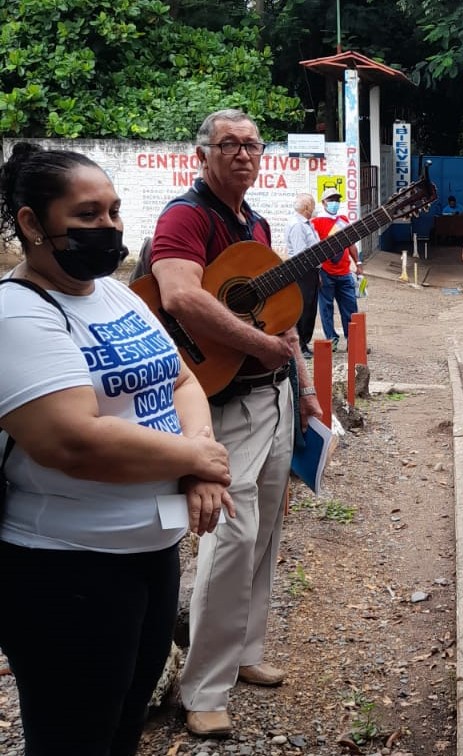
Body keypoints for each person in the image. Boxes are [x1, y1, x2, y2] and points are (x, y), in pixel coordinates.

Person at [0, 142, 234, 755]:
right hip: (66, 566)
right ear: (31, 223)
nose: (108, 227)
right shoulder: (17, 313)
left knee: (124, 724)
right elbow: (70, 439)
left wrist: (200, 462)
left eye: (113, 212)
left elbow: (183, 379)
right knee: (75, 737)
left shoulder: (116, 293)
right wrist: (196, 459)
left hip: (148, 555)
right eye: (86, 216)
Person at [149, 108, 323, 739]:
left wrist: (301, 386)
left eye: (253, 144)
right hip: (221, 401)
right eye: (230, 144)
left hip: (272, 398)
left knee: (266, 531)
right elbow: (179, 296)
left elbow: (277, 317)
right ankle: (203, 688)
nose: (245, 154)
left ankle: (244, 651)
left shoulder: (256, 221)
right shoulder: (185, 216)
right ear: (204, 153)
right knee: (230, 535)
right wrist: (256, 345)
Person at [312, 189, 362, 352]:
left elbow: (351, 244)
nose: (335, 202)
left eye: (337, 199)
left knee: (350, 308)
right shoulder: (316, 222)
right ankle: (331, 339)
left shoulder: (343, 220)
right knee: (326, 309)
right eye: (331, 199)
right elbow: (313, 248)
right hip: (326, 272)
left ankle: (352, 341)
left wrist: (358, 263)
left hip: (344, 271)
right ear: (324, 202)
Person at [285, 192, 319, 358]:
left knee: (310, 308)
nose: (314, 208)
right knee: (304, 308)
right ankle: (301, 344)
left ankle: (304, 342)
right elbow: (300, 254)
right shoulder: (298, 225)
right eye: (313, 205)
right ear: (307, 207)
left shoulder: (306, 224)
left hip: (310, 271)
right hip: (302, 271)